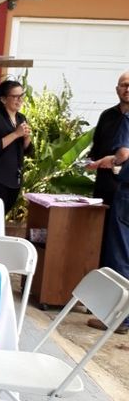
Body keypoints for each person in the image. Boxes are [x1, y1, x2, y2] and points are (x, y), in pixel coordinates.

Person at [87, 111, 129, 334]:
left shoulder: (125, 119)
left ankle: (118, 317)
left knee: (120, 257)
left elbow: (122, 152)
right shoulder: (109, 115)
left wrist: (111, 161)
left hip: (126, 194)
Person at [0, 79, 32, 214]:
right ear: (3, 99)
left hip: (14, 177)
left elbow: (26, 150)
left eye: (21, 96)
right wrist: (15, 134)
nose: (19, 100)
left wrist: (26, 138)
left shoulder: (21, 118)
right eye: (15, 96)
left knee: (3, 214)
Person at [88, 70, 129, 206]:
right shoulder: (107, 115)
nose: (127, 89)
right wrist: (89, 162)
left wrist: (114, 160)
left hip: (125, 189)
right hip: (104, 186)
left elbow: (124, 153)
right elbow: (96, 147)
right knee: (100, 226)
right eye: (124, 85)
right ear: (117, 89)